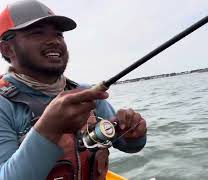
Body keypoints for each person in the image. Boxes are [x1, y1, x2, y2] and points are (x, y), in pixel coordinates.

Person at [0, 0, 147, 179]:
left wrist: (133, 133)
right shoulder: (3, 105)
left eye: (59, 34)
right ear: (7, 49)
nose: (54, 41)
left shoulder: (85, 93)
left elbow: (128, 145)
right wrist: (48, 129)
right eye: (37, 33)